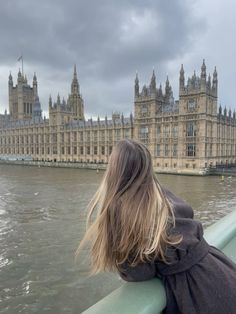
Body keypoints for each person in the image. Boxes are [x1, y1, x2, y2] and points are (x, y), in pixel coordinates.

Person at [78, 139, 236, 314]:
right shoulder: (163, 195)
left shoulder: (122, 211)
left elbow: (140, 273)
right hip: (221, 270)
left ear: (114, 171)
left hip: (196, 293)